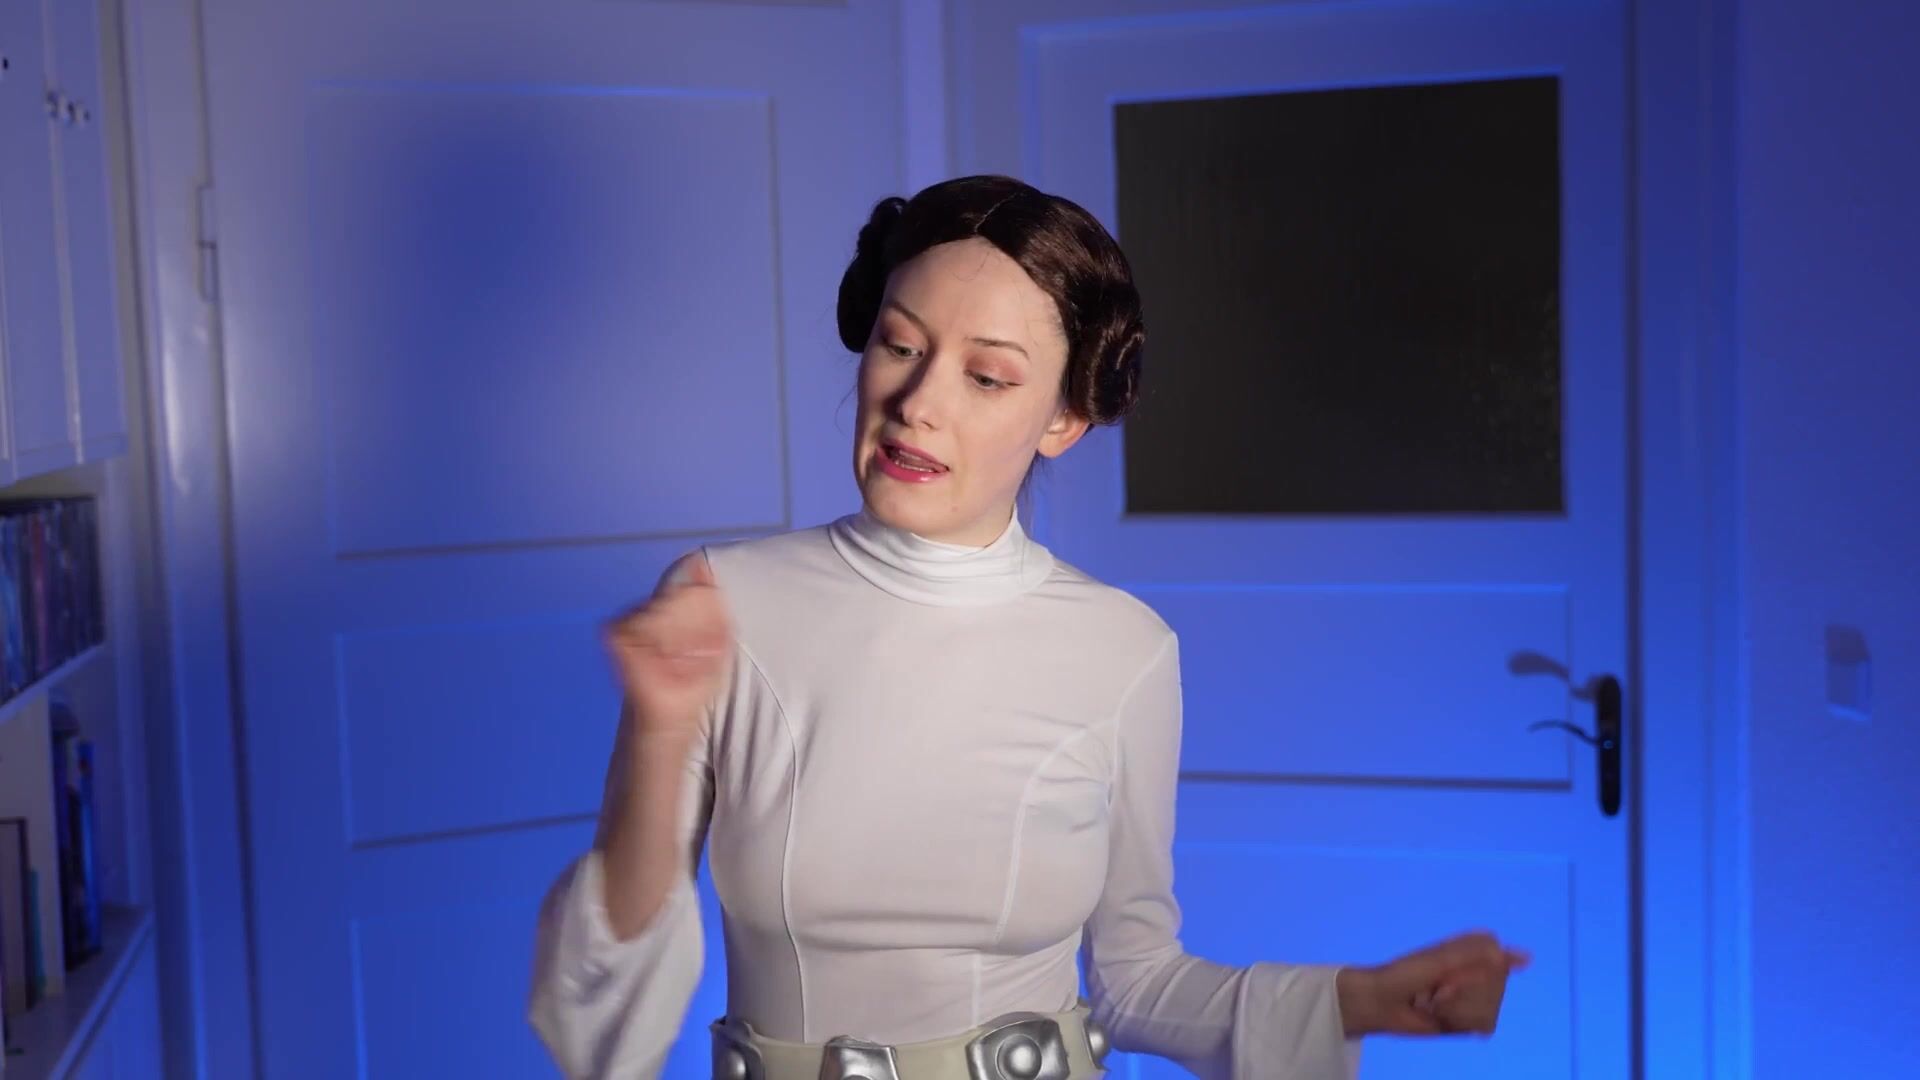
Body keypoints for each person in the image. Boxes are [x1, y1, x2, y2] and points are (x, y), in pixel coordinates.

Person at [528, 175, 1530, 1080]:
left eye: (988, 376)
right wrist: (661, 726)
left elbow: (1137, 979)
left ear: (1063, 420)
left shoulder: (1125, 649)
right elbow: (599, 1018)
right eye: (901, 345)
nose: (919, 403)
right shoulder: (723, 601)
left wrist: (1361, 1001)